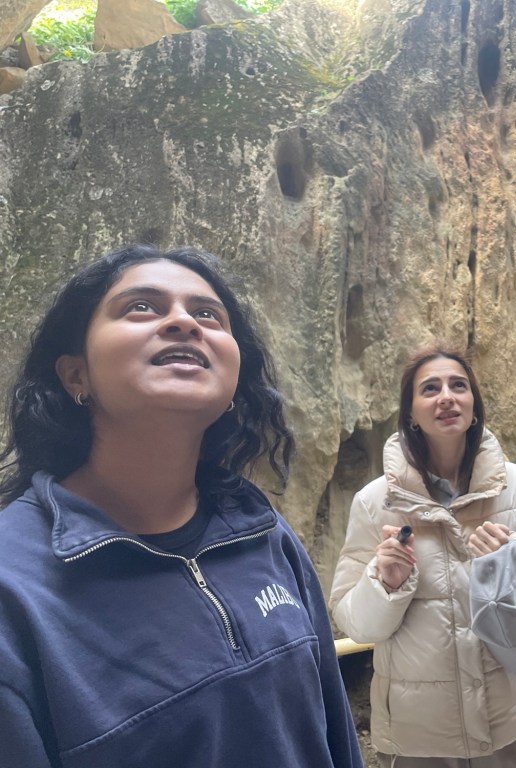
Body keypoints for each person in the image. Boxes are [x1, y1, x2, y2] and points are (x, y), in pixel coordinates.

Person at [0, 244, 364, 768]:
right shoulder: (16, 589)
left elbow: (335, 737)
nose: (184, 322)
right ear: (75, 375)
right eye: (141, 307)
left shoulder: (260, 531)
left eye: (208, 314)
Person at [330, 344, 516, 768]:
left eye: (458, 386)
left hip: (513, 723)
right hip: (421, 738)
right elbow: (357, 625)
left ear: (474, 407)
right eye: (430, 388)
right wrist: (386, 582)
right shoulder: (375, 502)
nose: (446, 397)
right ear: (410, 413)